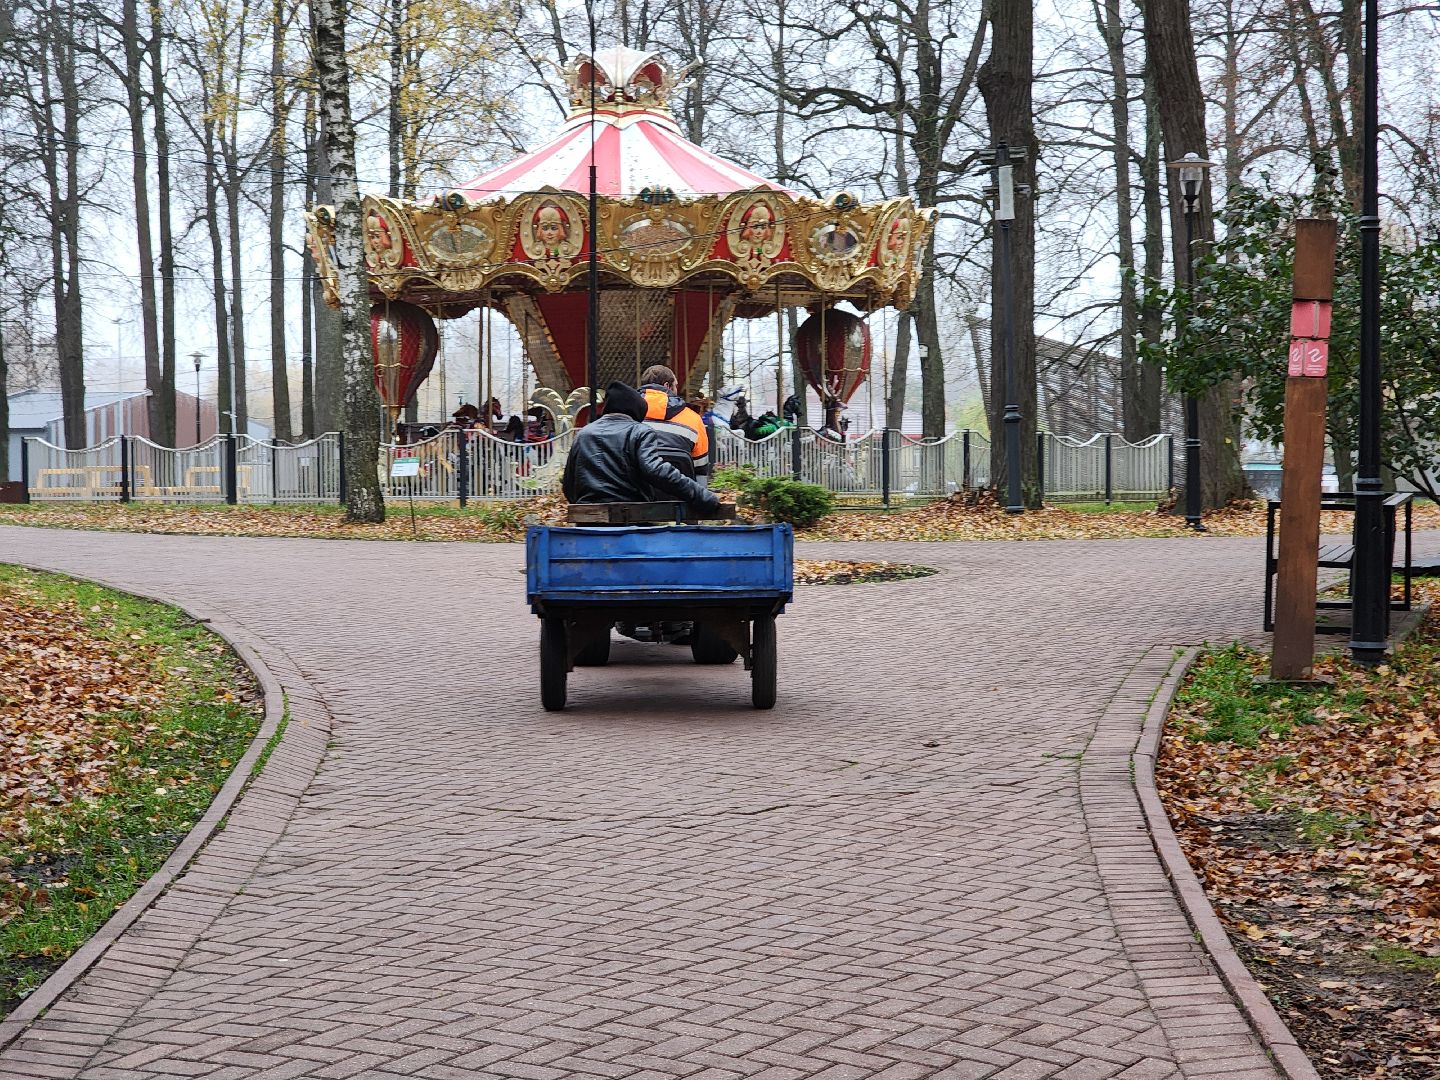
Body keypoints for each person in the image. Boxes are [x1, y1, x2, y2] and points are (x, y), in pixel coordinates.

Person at [562, 382, 721, 515]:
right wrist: (702, 496)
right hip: (630, 516)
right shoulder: (638, 431)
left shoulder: (584, 433)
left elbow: (568, 484)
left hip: (588, 518)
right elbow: (656, 471)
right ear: (635, 410)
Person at [638, 364, 709, 479]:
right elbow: (700, 467)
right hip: (679, 493)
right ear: (667, 386)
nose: (677, 389)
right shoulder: (693, 419)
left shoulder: (627, 414)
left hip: (635, 495)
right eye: (675, 386)